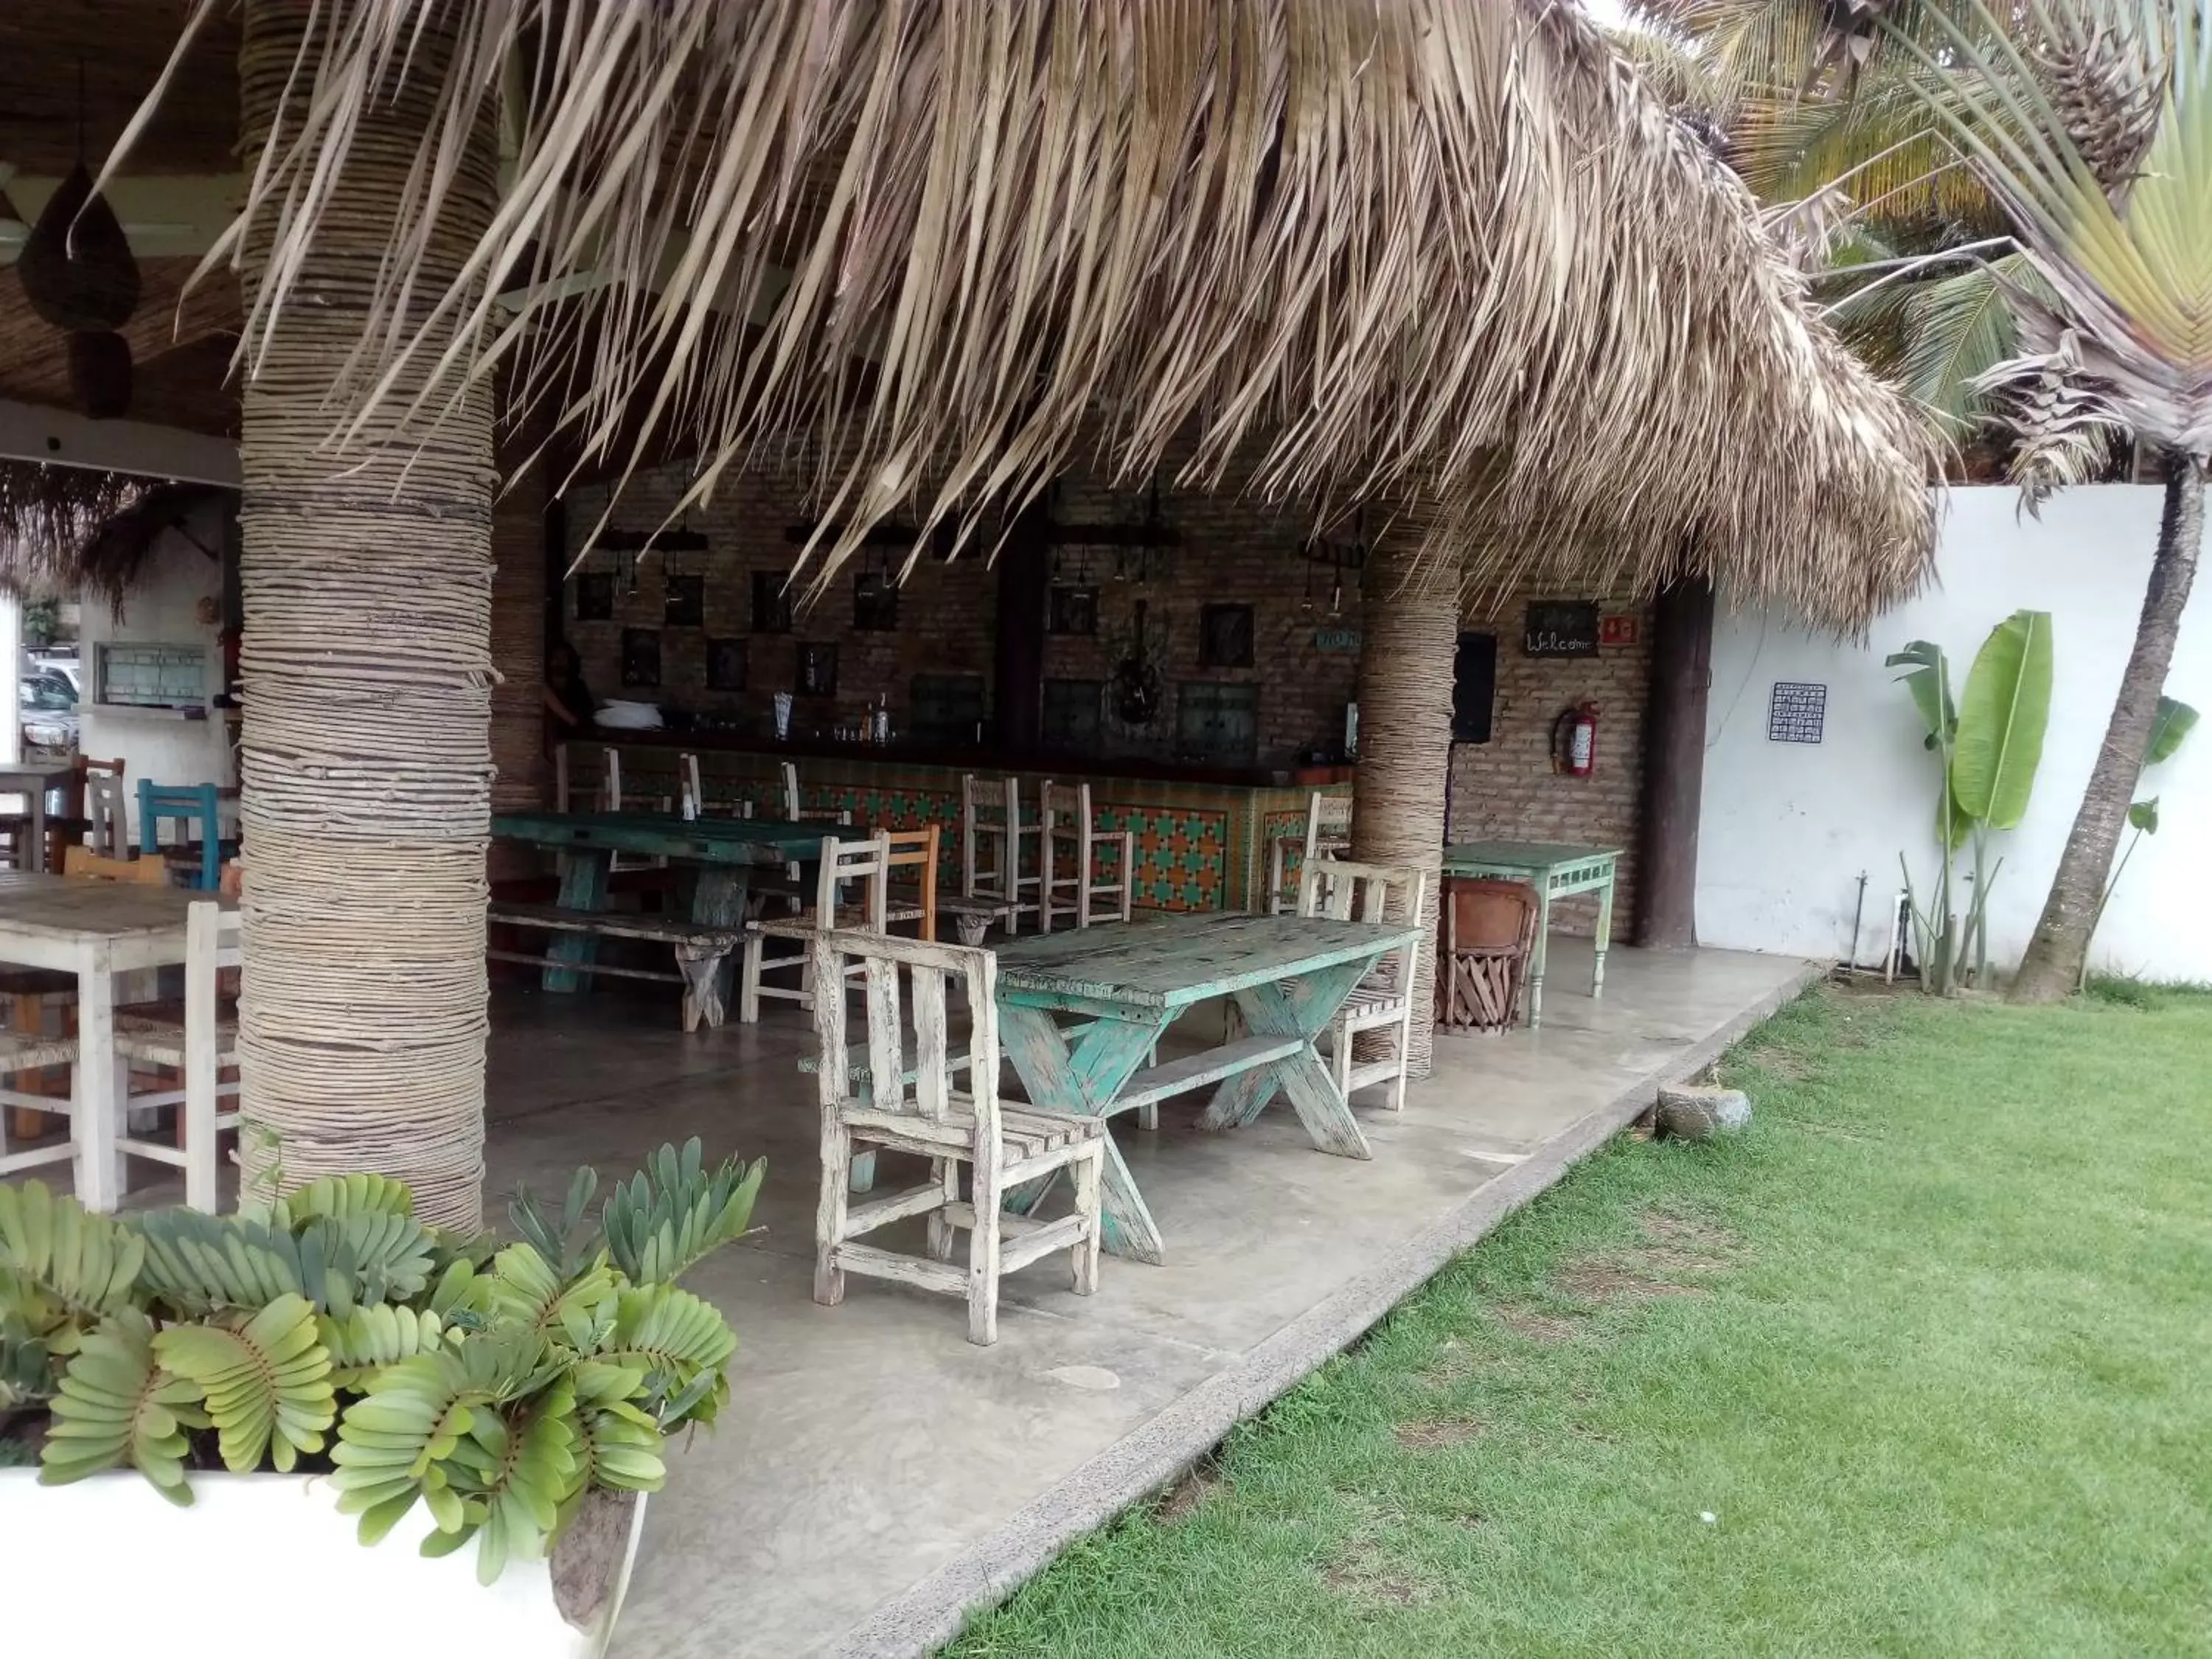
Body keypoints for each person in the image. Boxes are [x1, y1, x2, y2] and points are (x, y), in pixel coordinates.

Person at [543, 641, 597, 749]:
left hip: (574, 742)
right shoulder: (545, 686)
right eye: (556, 657)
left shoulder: (578, 687)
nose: (559, 661)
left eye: (563, 658)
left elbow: (586, 718)